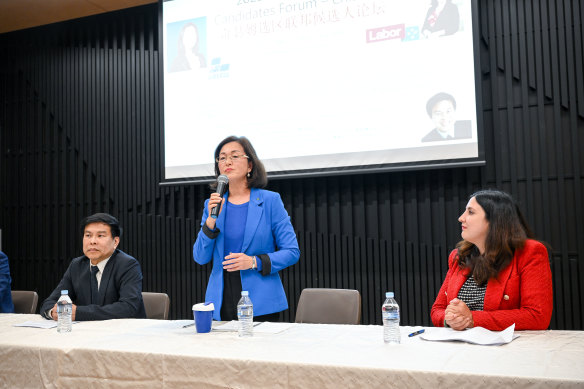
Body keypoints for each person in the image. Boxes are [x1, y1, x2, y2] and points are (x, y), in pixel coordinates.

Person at [193, 136, 300, 321]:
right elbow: (200, 257)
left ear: (250, 165)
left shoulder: (270, 201)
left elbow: (292, 251)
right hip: (220, 299)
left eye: (234, 156)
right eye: (222, 157)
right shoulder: (212, 205)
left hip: (260, 300)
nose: (227, 162)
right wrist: (210, 222)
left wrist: (254, 262)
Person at [431, 190, 553, 331]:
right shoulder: (458, 256)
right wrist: (450, 320)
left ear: (494, 219)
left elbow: (537, 317)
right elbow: (438, 309)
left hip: (510, 349)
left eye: (470, 212)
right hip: (460, 347)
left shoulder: (530, 252)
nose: (461, 218)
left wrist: (472, 319)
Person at [40, 213, 146, 321]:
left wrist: (80, 313)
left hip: (126, 332)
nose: (92, 241)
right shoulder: (77, 265)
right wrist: (53, 312)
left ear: (115, 241)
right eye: (88, 235)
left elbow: (128, 307)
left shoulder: (128, 265)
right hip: (88, 332)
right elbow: (50, 302)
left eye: (100, 236)